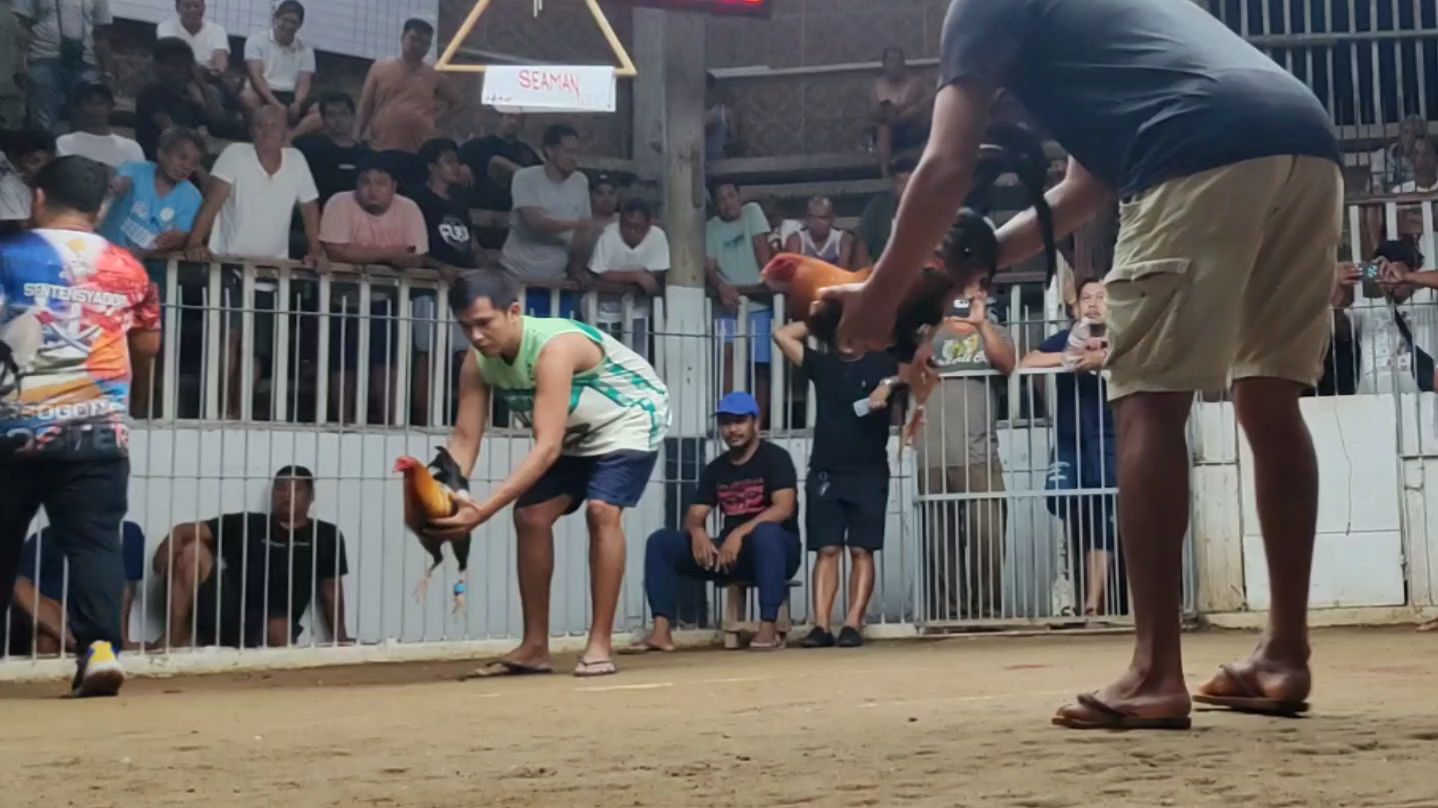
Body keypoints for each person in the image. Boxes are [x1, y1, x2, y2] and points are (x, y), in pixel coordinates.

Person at [825, 0, 1343, 730]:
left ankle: (1155, 672)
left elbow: (944, 165)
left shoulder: (981, 8)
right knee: (1269, 398)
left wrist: (881, 295)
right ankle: (1283, 654)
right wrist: (952, 276)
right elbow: (1082, 189)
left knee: (1147, 399)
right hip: (1306, 138)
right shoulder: (1108, 26)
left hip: (1193, 146)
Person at [425, 270, 669, 678]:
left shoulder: (553, 348)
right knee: (530, 516)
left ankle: (599, 644)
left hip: (628, 418)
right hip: (576, 431)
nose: (476, 336)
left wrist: (483, 511)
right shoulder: (477, 361)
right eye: (466, 327)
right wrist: (444, 494)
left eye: (484, 323)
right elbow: (465, 439)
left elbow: (547, 447)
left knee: (602, 510)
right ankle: (535, 647)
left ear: (514, 311)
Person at [0, 155, 162, 697]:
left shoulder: (8, 254)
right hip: (97, 432)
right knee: (95, 544)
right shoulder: (128, 267)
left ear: (38, 197)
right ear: (101, 208)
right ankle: (100, 651)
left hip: (13, 428)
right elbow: (148, 345)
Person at [630, 392, 800, 653]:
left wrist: (740, 533)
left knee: (766, 533)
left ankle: (768, 628)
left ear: (755, 423)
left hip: (777, 552)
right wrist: (697, 532)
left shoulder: (776, 458)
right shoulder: (716, 469)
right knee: (661, 542)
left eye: (739, 421)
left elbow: (784, 507)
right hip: (730, 555)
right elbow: (694, 515)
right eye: (726, 423)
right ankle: (661, 632)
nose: (732, 429)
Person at [186, 105, 322, 420]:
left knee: (256, 347)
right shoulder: (235, 154)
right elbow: (213, 201)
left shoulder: (297, 161)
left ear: (285, 131)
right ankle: (219, 410)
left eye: (273, 125)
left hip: (271, 270)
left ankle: (240, 411)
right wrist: (195, 242)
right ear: (251, 129)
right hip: (228, 263)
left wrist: (316, 249)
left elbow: (310, 208)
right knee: (228, 338)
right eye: (259, 125)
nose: (265, 130)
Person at [773, 321, 899, 648]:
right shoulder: (823, 364)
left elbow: (914, 367)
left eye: (854, 328)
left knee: (861, 549)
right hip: (826, 471)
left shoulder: (883, 362)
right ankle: (821, 626)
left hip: (869, 471)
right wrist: (826, 314)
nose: (847, 337)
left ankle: (853, 624)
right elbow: (781, 335)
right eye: (841, 330)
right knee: (827, 549)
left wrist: (886, 385)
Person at [151, 466, 351, 648]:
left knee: (281, 631)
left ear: (310, 495)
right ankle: (174, 638)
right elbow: (185, 530)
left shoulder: (326, 535)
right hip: (227, 609)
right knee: (193, 550)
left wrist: (340, 637)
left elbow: (331, 592)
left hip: (274, 619)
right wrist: (173, 539)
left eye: (296, 489)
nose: (287, 495)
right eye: (280, 488)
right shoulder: (249, 524)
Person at [1021, 279, 1124, 617]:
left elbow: (1142, 360)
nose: (1093, 303)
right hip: (1069, 440)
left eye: (1100, 297)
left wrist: (1103, 357)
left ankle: (1093, 603)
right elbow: (1028, 361)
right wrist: (1070, 358)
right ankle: (1069, 581)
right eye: (1086, 297)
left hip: (1109, 438)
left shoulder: (1121, 337)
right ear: (1075, 307)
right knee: (1061, 497)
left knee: (1105, 516)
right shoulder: (1066, 339)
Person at [319, 155, 428, 425]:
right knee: (342, 362)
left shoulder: (408, 208)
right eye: (365, 182)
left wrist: (363, 254)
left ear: (394, 186)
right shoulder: (340, 202)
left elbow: (416, 256)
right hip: (342, 299)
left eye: (380, 183)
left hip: (388, 299)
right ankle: (343, 423)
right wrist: (390, 254)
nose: (372, 189)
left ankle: (391, 423)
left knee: (386, 362)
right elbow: (336, 250)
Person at [501, 124, 599, 318]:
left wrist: (577, 268)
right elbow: (534, 222)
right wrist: (576, 225)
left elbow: (583, 233)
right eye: (568, 151)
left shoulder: (580, 181)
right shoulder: (525, 178)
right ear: (549, 151)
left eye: (577, 152)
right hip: (518, 275)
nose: (574, 158)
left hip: (557, 279)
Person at [9, 521, 146, 655]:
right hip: (51, 622)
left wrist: (121, 639)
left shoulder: (127, 533)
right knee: (46, 644)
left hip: (93, 621)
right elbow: (20, 588)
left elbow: (124, 589)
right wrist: (71, 639)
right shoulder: (45, 538)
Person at [355, 17, 461, 185]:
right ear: (402, 37)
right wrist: (357, 134)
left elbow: (457, 102)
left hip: (418, 147)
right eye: (414, 39)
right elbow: (365, 103)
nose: (418, 46)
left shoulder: (433, 74)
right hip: (382, 144)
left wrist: (436, 120)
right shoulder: (380, 67)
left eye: (425, 42)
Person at [706, 181, 775, 415]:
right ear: (716, 204)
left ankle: (759, 422)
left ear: (739, 197)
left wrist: (769, 282)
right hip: (728, 304)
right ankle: (729, 415)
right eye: (721, 199)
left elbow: (762, 250)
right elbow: (709, 267)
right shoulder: (711, 227)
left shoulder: (752, 212)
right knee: (727, 360)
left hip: (759, 302)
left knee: (761, 365)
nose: (727, 202)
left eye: (730, 196)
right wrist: (720, 286)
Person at [100, 126, 205, 261]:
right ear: (161, 153)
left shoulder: (193, 197)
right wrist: (118, 184)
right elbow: (120, 181)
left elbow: (182, 234)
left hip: (150, 267)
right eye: (182, 157)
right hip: (107, 258)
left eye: (194, 163)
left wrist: (177, 240)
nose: (186, 166)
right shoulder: (134, 170)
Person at [13, 0, 115, 133]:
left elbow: (101, 33)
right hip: (44, 57)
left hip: (84, 62)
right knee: (42, 121)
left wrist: (108, 72)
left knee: (86, 122)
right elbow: (23, 26)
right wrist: (21, 62)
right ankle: (43, 144)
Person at [588, 198, 669, 350]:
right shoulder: (609, 234)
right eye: (627, 226)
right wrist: (636, 276)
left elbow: (656, 273)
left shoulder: (657, 236)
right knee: (605, 355)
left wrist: (636, 278)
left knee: (637, 355)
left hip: (639, 310)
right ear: (620, 224)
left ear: (648, 225)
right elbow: (600, 272)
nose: (632, 231)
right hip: (604, 310)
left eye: (638, 227)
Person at [135, 37, 226, 161]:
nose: (178, 70)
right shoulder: (150, 93)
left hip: (186, 159)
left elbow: (217, 120)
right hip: (158, 160)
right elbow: (170, 133)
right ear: (157, 66)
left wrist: (201, 82)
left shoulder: (187, 96)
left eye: (184, 65)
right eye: (172, 64)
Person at [460, 111, 540, 247]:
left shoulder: (526, 152)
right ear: (501, 117)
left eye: (519, 119)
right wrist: (461, 165)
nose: (514, 122)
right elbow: (451, 160)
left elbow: (540, 177)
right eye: (510, 116)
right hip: (477, 213)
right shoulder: (477, 145)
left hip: (512, 218)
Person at [241, 0, 316, 133]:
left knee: (319, 110)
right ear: (275, 18)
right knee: (247, 97)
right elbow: (256, 77)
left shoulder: (306, 48)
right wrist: (274, 103)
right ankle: (264, 134)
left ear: (300, 25)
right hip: (264, 92)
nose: (288, 26)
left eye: (293, 22)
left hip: (290, 95)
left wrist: (298, 103)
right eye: (285, 20)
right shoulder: (256, 40)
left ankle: (290, 137)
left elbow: (304, 81)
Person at [294, 92, 372, 206]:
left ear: (353, 116)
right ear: (323, 119)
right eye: (331, 115)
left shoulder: (367, 155)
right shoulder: (310, 150)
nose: (338, 119)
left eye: (343, 114)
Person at [870, 47, 931, 178]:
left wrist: (899, 110)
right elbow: (874, 112)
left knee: (915, 111)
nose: (895, 66)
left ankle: (924, 173)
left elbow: (926, 101)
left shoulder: (914, 83)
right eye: (891, 61)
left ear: (903, 64)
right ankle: (885, 174)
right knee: (884, 129)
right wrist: (887, 112)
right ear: (884, 64)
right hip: (888, 129)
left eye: (898, 62)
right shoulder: (877, 85)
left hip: (910, 129)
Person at [55, 82, 142, 168]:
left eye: (101, 103)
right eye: (89, 103)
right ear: (79, 107)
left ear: (110, 107)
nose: (96, 108)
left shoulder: (131, 147)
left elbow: (141, 175)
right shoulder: (63, 143)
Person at [856, 158, 915, 263]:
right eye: (901, 182)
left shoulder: (928, 207)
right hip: (883, 267)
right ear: (894, 184)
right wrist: (862, 270)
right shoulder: (878, 206)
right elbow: (862, 242)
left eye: (910, 182)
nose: (906, 187)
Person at [0, 129, 56, 231]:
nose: (42, 167)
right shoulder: (9, 187)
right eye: (33, 161)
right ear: (16, 162)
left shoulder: (60, 183)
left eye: (48, 161)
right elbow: (18, 229)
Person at [156, 0, 229, 75]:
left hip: (209, 77)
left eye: (197, 6)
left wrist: (216, 74)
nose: (193, 10)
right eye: (187, 7)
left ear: (204, 7)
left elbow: (220, 59)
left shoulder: (218, 30)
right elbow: (172, 60)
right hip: (177, 76)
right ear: (177, 8)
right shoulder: (165, 28)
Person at [784, 196, 856, 269]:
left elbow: (842, 272)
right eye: (812, 217)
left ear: (832, 219)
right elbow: (793, 272)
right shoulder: (795, 240)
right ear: (806, 218)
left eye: (822, 218)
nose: (817, 222)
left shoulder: (844, 239)